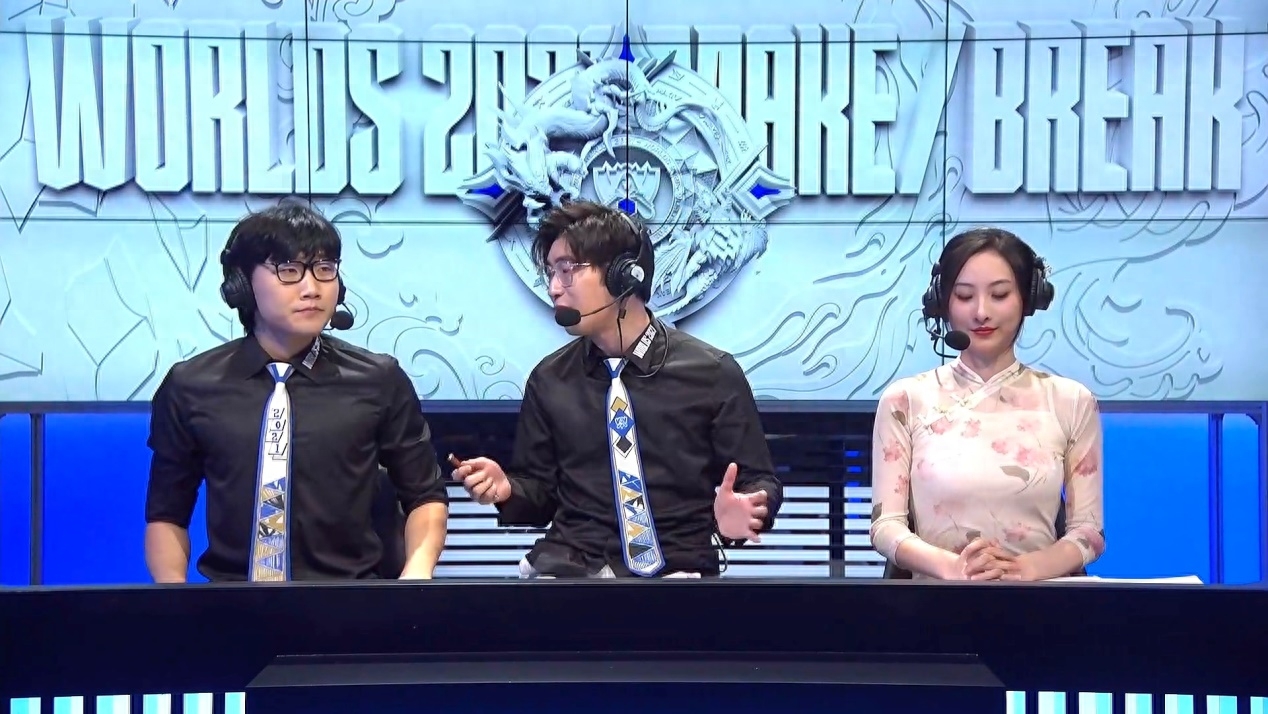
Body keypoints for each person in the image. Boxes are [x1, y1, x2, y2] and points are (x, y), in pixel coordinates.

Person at [450, 200, 782, 578]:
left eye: (567, 271)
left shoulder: (712, 373)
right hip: (572, 570)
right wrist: (507, 489)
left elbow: (759, 481)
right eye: (551, 273)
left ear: (622, 276)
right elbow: (540, 497)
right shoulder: (549, 379)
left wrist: (746, 510)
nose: (555, 288)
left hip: (677, 572)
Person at [143, 200, 449, 583]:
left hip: (350, 602)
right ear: (241, 285)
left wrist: (415, 578)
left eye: (325, 270)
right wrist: (174, 601)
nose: (312, 288)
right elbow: (167, 514)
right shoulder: (191, 385)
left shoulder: (379, 379)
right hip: (231, 605)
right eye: (289, 270)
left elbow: (425, 495)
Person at [869, 227, 1105, 581]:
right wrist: (954, 568)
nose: (981, 312)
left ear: (1028, 299)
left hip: (1041, 602)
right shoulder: (905, 400)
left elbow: (1089, 531)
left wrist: (1026, 569)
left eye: (999, 295)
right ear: (942, 303)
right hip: (933, 603)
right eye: (965, 296)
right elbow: (885, 527)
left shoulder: (1071, 401)